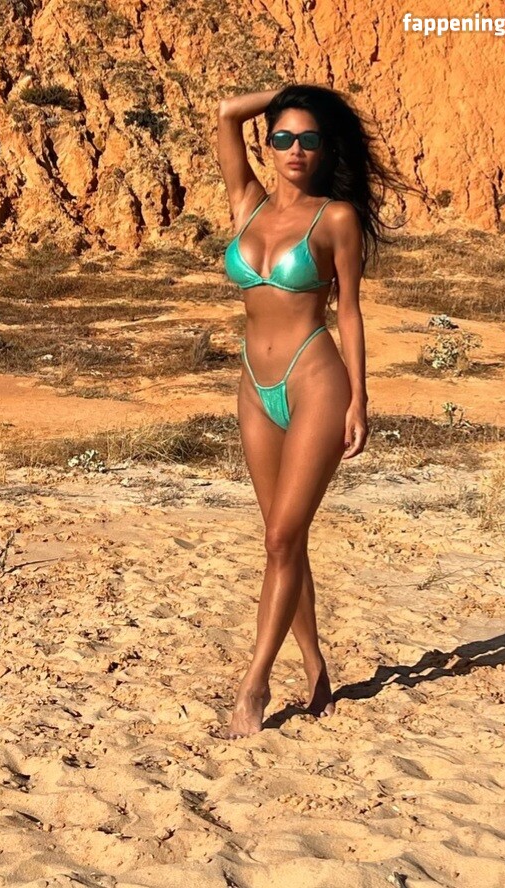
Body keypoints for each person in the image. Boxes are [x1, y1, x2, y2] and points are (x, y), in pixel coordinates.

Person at [216, 83, 404, 739]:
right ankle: (315, 664)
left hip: (314, 379)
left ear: (325, 150)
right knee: (283, 538)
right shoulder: (246, 204)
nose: (295, 149)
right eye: (283, 137)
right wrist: (293, 94)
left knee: (279, 540)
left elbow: (349, 311)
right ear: (267, 145)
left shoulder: (336, 219)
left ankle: (254, 685)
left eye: (309, 138)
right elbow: (226, 113)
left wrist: (359, 398)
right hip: (253, 384)